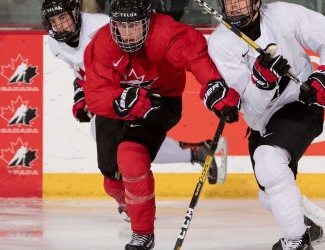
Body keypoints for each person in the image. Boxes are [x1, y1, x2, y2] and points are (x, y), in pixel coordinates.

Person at [41, 0, 228, 224]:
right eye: (54, 21)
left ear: (75, 13)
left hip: (139, 88)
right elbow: (82, 69)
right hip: (112, 92)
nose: (60, 25)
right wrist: (82, 93)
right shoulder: (55, 43)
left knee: (132, 151)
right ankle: (196, 151)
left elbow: (130, 51)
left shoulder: (101, 28)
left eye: (63, 18)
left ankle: (190, 155)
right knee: (114, 163)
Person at [82, 0, 240, 247]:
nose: (127, 33)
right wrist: (118, 102)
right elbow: (95, 92)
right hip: (119, 104)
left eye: (134, 26)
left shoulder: (164, 32)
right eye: (121, 26)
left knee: (131, 158)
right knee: (112, 183)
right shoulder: (102, 43)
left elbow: (195, 55)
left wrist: (213, 86)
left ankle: (143, 233)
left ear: (148, 21)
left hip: (160, 100)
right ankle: (135, 209)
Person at [207, 0, 325, 249]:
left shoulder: (283, 14)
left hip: (302, 102)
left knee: (268, 159)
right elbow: (250, 107)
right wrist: (262, 82)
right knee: (267, 191)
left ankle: (297, 240)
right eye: (228, 0)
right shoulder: (220, 43)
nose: (233, 6)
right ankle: (306, 226)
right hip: (262, 120)